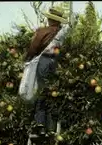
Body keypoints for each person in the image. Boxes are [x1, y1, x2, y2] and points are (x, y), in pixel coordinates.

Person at [25, 6, 69, 137]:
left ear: (50, 19)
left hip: (43, 62)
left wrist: (27, 59)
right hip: (56, 64)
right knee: (53, 93)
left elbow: (33, 48)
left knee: (42, 92)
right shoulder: (62, 34)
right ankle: (51, 126)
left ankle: (40, 123)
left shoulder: (42, 31)